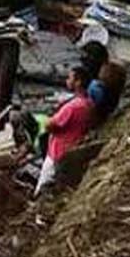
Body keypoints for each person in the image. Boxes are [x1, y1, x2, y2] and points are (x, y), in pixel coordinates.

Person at [35, 67, 95, 197]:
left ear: (78, 82)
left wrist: (50, 121)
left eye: (70, 78)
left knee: (42, 188)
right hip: (71, 149)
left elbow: (49, 125)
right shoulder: (89, 103)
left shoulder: (72, 107)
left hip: (57, 152)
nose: (67, 80)